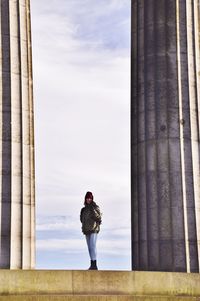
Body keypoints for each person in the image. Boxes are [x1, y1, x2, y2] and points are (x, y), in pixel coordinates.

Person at [80, 191, 102, 270]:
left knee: (93, 246)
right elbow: (81, 219)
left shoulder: (95, 207)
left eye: (90, 198)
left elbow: (99, 217)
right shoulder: (84, 209)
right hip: (86, 230)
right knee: (89, 247)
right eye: (87, 198)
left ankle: (94, 264)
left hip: (93, 229)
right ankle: (92, 264)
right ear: (85, 199)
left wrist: (93, 210)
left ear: (92, 199)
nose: (88, 199)